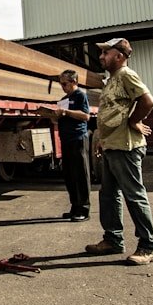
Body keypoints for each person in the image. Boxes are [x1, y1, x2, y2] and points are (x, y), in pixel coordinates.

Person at [83, 37, 153, 265]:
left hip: (126, 147)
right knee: (108, 195)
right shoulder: (112, 79)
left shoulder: (127, 75)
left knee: (134, 196)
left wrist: (135, 121)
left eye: (106, 52)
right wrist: (102, 140)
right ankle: (113, 240)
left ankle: (148, 247)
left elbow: (147, 101)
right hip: (111, 145)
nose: (101, 56)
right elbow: (113, 112)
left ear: (119, 56)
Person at [49, 69, 103, 221]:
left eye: (65, 84)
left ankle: (84, 209)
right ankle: (75, 207)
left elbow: (85, 116)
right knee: (69, 175)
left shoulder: (80, 95)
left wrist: (66, 112)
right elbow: (61, 118)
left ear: (74, 82)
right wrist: (54, 117)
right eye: (61, 84)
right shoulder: (65, 98)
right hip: (66, 139)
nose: (63, 87)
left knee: (80, 174)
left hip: (78, 138)